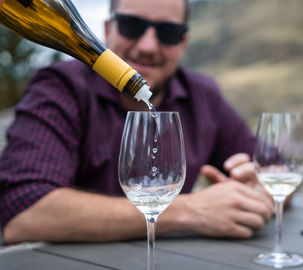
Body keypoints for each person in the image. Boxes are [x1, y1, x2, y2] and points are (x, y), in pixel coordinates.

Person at [0, 0, 274, 244]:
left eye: (168, 32)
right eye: (132, 26)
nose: (147, 46)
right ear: (108, 29)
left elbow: (275, 166)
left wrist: (255, 186)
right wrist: (190, 211)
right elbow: (21, 212)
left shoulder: (202, 95)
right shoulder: (61, 87)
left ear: (183, 42)